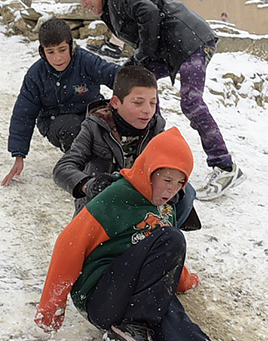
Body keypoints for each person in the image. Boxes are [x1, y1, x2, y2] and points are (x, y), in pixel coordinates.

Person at [34, 127, 268, 341]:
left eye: (179, 183)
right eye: (166, 179)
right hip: (102, 297)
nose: (171, 189)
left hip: (137, 300)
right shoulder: (117, 197)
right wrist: (50, 310)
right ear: (149, 171)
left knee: (177, 321)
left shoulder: (166, 210)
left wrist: (185, 280)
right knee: (172, 241)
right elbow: (69, 246)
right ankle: (131, 327)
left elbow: (164, 261)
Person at [72, 0, 242, 198]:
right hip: (173, 47)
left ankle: (224, 166)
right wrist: (133, 65)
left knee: (190, 102)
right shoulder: (111, 6)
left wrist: (143, 55)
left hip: (191, 41)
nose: (84, 5)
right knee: (140, 91)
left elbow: (149, 13)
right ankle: (154, 158)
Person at [52, 65, 200, 231]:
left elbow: (172, 169)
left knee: (187, 193)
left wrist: (174, 191)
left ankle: (161, 234)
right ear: (115, 102)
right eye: (138, 103)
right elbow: (63, 168)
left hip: (140, 207)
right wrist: (90, 185)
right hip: (101, 207)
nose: (147, 110)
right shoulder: (95, 127)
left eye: (153, 103)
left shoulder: (156, 128)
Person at [1, 18, 118, 186]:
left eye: (62, 50)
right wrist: (18, 155)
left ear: (71, 46)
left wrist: (137, 88)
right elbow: (23, 114)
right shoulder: (36, 75)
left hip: (90, 115)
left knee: (111, 121)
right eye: (51, 52)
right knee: (73, 127)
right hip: (56, 122)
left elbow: (116, 76)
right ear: (42, 52)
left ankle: (117, 162)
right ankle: (81, 167)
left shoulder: (86, 61)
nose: (57, 58)